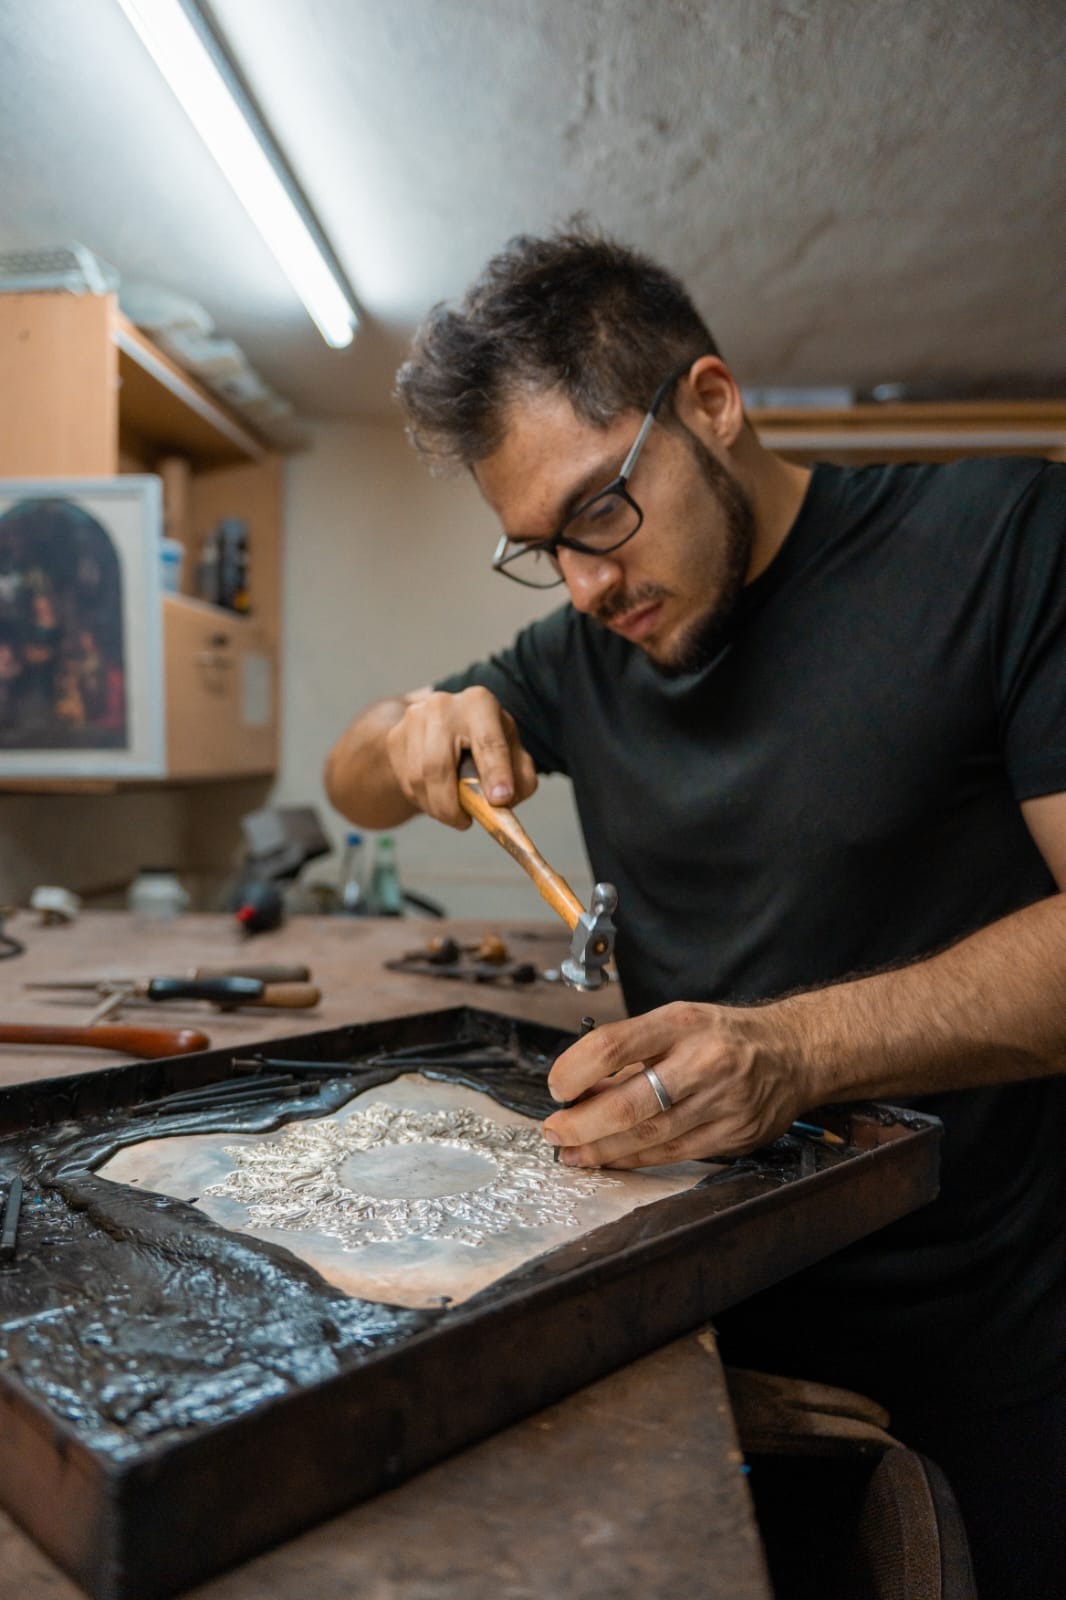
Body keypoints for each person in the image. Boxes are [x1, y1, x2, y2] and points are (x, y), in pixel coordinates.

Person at [326, 225, 1066, 1596]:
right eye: (540, 550)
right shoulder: (585, 648)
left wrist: (790, 1051)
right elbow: (351, 780)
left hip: (982, 1338)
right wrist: (411, 722)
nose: (587, 583)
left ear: (712, 404)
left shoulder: (1002, 539)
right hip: (688, 1320)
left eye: (599, 512)